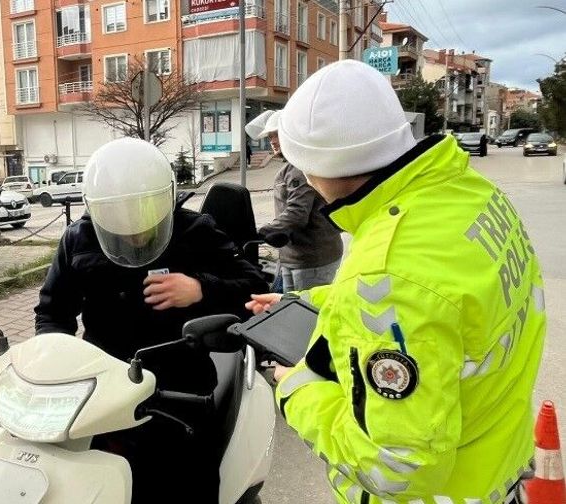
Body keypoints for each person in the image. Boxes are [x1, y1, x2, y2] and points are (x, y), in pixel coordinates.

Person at [248, 60, 545, 503]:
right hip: (498, 465)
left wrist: (295, 389)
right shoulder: (468, 194)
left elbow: (397, 469)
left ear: (313, 167)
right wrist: (314, 300)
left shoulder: (388, 269)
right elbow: (442, 301)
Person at [35, 137, 268, 504]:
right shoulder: (78, 239)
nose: (133, 232)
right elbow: (52, 312)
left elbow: (255, 288)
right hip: (104, 390)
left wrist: (200, 289)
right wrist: (51, 368)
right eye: (119, 222)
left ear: (164, 201)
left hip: (181, 388)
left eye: (142, 217)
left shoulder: (195, 231)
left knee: (190, 487)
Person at [246, 110, 343, 293]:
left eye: (277, 135)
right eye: (270, 136)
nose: (272, 140)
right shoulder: (292, 166)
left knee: (304, 314)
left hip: (311, 258)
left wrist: (262, 232)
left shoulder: (299, 168)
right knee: (289, 308)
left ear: (292, 136)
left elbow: (298, 213)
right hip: (297, 255)